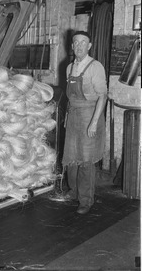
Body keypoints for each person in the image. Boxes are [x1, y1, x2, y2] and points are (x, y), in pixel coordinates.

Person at [62, 30, 108, 214]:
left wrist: (94, 122)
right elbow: (70, 97)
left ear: (89, 46)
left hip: (90, 114)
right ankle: (74, 192)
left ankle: (86, 200)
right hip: (73, 115)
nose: (79, 46)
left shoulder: (95, 67)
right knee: (71, 158)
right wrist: (67, 117)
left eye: (83, 42)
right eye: (76, 42)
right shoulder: (68, 68)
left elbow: (103, 96)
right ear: (72, 46)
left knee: (86, 161)